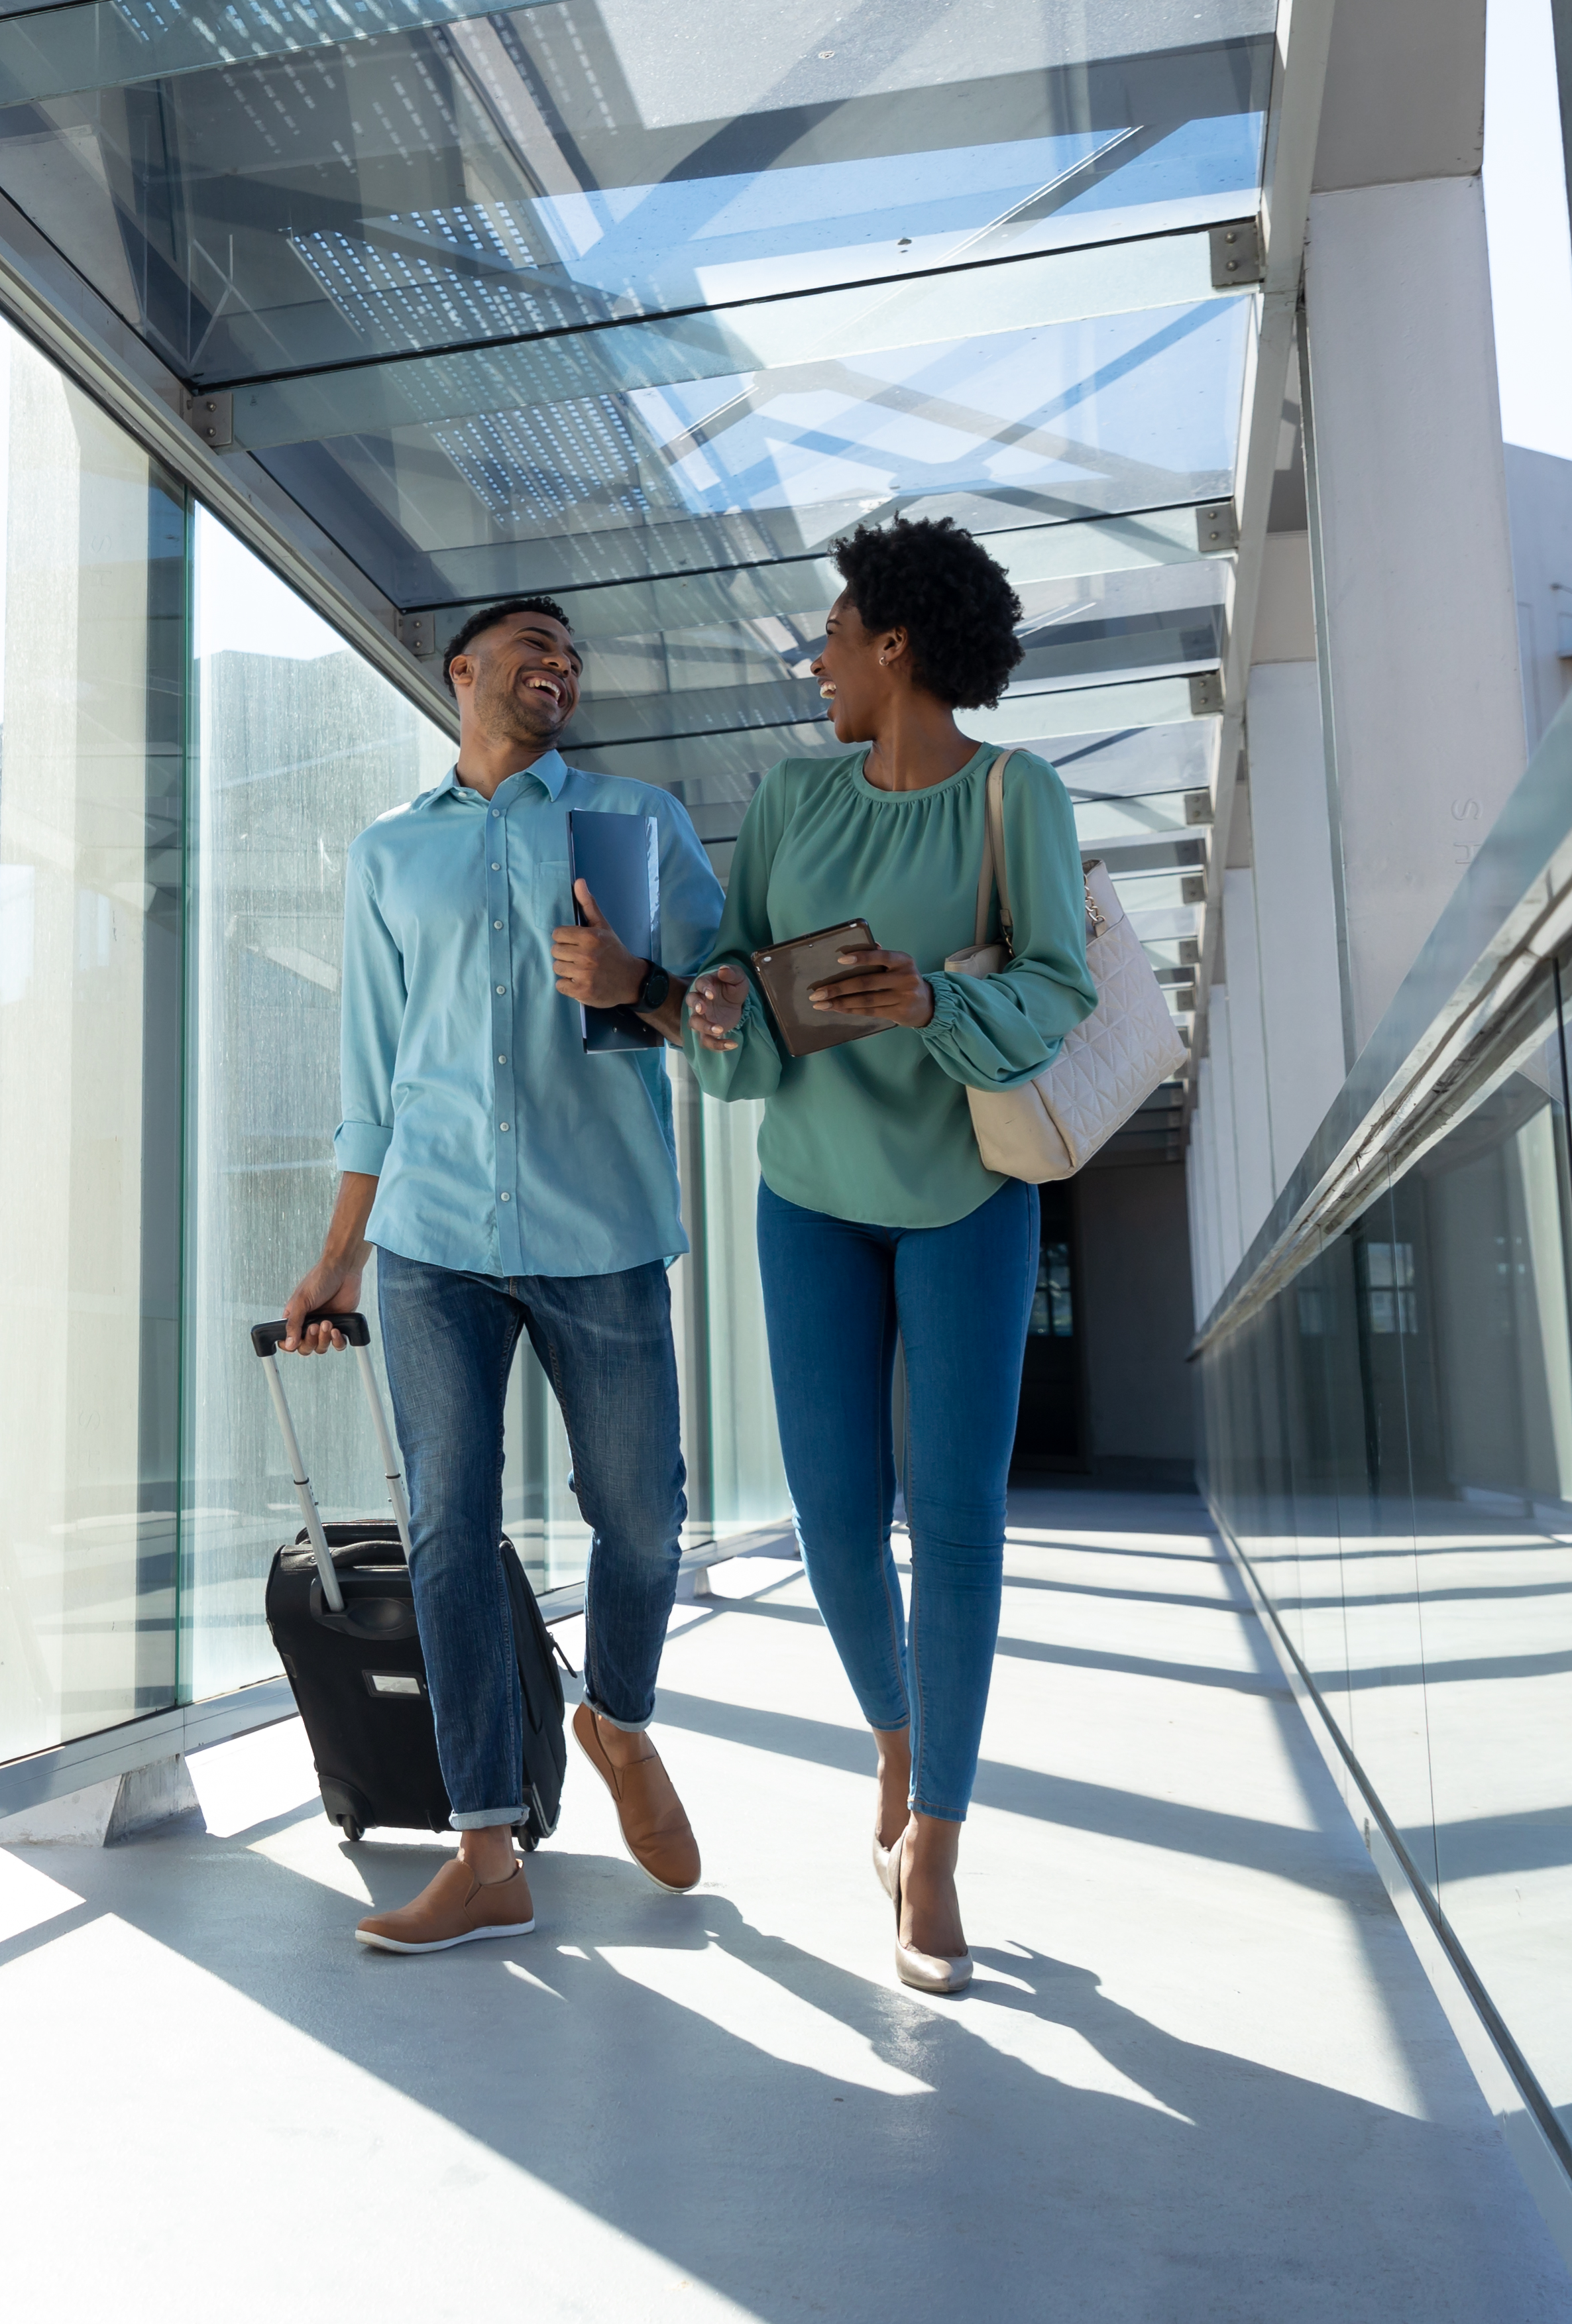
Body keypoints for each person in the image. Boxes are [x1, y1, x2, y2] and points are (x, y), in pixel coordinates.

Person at [677, 516, 1092, 1997]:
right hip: (811, 1188)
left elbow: (1060, 984)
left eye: (837, 634)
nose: (819, 659)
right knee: (834, 1512)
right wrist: (719, 1003)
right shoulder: (793, 795)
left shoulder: (1013, 794)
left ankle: (936, 1841)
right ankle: (898, 1736)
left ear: (898, 643)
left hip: (969, 1187)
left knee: (958, 1516)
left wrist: (929, 999)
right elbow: (733, 958)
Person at [283, 593, 724, 1955]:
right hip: (431, 1241)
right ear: (462, 669)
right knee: (446, 1530)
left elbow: (723, 1010)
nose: (560, 665)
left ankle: (620, 1718)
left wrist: (644, 976)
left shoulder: (629, 820)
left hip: (601, 1230)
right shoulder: (387, 852)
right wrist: (337, 1254)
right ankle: (485, 1847)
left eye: (573, 656)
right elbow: (373, 1069)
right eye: (533, 645)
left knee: (640, 1518)